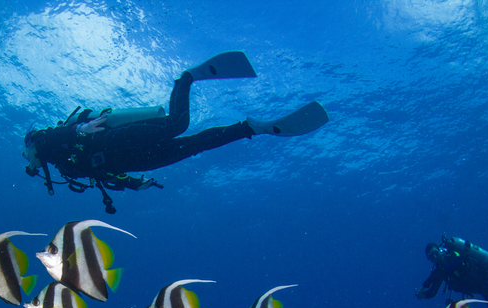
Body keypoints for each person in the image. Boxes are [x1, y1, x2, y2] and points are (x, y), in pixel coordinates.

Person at [23, 51, 329, 213]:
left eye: (25, 154)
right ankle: (250, 128)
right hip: (133, 161)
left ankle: (186, 79)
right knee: (192, 146)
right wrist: (133, 185)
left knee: (177, 124)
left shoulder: (43, 142)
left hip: (114, 139)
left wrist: (81, 128)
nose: (28, 161)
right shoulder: (61, 166)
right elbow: (101, 176)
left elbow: (61, 135)